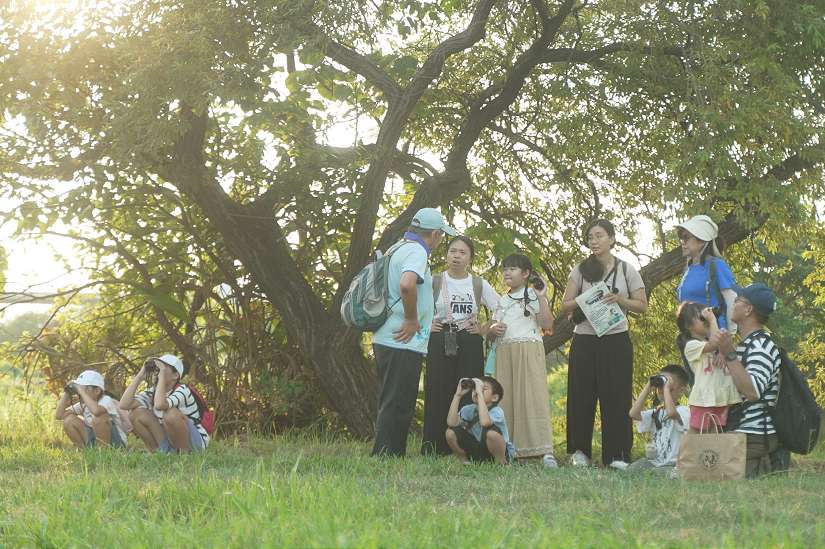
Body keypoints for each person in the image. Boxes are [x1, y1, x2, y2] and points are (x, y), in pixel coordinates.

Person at [560, 219, 647, 467]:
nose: (594, 241)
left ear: (611, 238)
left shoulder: (626, 269)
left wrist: (620, 299)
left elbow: (642, 306)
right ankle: (580, 451)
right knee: (580, 395)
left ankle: (617, 454)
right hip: (585, 339)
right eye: (590, 237)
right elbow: (565, 305)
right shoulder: (580, 269)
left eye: (599, 236)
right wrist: (587, 299)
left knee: (617, 396)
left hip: (616, 339)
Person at [370, 208, 456, 457]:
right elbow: (407, 285)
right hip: (401, 337)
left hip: (387, 335)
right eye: (440, 235)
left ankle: (387, 452)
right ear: (434, 234)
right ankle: (387, 455)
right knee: (399, 401)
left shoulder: (398, 247)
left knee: (392, 399)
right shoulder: (417, 251)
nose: (440, 240)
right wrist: (411, 319)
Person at [421, 236, 500, 456]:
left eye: (462, 252)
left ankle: (467, 446)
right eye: (452, 251)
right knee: (437, 389)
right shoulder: (434, 280)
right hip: (440, 338)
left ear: (470, 258)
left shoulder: (477, 283)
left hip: (470, 340)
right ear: (446, 255)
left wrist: (485, 329)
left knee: (469, 392)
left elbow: (500, 308)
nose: (456, 256)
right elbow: (416, 307)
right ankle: (433, 447)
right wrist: (427, 324)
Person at [487, 253, 558, 467]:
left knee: (533, 397)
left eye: (513, 268)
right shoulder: (502, 299)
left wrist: (542, 297)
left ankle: (543, 450)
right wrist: (492, 329)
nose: (507, 272)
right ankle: (509, 448)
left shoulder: (534, 295)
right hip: (504, 351)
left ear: (526, 273)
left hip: (528, 349)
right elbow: (490, 332)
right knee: (506, 399)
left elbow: (547, 325)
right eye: (505, 268)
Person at [713, 283, 782, 478]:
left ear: (748, 309)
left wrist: (729, 354)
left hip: (754, 436)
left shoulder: (762, 346)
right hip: (739, 433)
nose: (732, 304)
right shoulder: (747, 344)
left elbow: (752, 392)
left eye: (737, 301)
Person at [119, 354, 209, 453]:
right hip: (171, 438)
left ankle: (184, 454)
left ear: (175, 376)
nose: (157, 372)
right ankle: (158, 452)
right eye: (157, 369)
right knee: (136, 414)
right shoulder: (153, 392)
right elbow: (124, 405)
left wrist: (161, 375)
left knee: (170, 414)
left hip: (194, 442)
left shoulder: (183, 390)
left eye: (162, 369)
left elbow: (160, 405)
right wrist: (140, 376)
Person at [677, 303, 740, 433]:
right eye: (700, 317)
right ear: (688, 326)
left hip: (721, 397)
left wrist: (723, 352)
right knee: (697, 435)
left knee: (714, 436)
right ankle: (687, 454)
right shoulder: (691, 346)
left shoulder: (713, 343)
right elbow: (715, 342)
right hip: (704, 398)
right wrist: (712, 319)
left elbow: (726, 345)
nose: (705, 319)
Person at [675, 215, 738, 332]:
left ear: (702, 240)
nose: (682, 242)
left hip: (713, 337)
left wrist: (730, 334)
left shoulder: (716, 265)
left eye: (686, 237)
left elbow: (731, 299)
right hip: (691, 340)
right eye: (681, 238)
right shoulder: (688, 270)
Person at [626, 365, 690, 473]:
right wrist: (648, 386)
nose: (661, 389)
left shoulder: (684, 411)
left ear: (681, 390)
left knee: (663, 473)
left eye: (669, 385)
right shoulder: (657, 412)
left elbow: (671, 413)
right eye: (660, 385)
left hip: (673, 464)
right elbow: (633, 414)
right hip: (655, 462)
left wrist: (666, 389)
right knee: (634, 468)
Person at [445, 376, 514, 464]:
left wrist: (479, 394)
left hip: (498, 451)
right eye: (475, 389)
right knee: (450, 432)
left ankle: (502, 463)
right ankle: (465, 461)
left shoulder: (497, 411)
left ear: (494, 398)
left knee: (491, 434)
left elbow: (485, 422)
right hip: (478, 450)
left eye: (483, 389)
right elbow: (451, 423)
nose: (476, 391)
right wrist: (458, 395)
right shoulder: (468, 409)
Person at [55, 370, 127, 449]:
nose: (79, 392)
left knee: (99, 417)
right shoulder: (84, 404)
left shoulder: (106, 400)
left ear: (97, 391)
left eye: (84, 388)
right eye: (79, 389)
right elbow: (59, 415)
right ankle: (84, 450)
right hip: (95, 440)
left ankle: (104, 452)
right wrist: (67, 392)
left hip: (116, 443)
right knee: (69, 420)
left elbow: (96, 411)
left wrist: (81, 391)